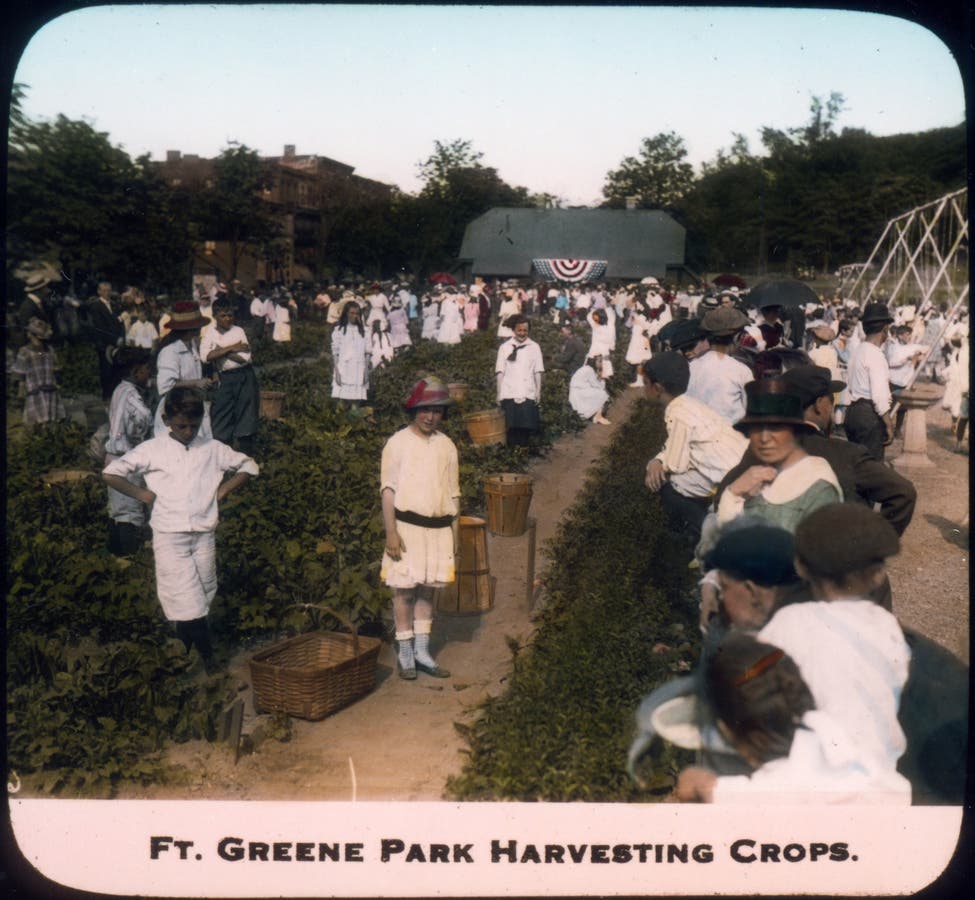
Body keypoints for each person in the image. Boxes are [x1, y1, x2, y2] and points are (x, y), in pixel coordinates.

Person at [102, 386, 259, 668]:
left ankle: (182, 653)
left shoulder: (211, 449)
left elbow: (249, 465)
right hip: (170, 535)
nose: (187, 431)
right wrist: (141, 494)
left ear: (201, 422)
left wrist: (224, 489)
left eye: (193, 426)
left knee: (204, 591)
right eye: (181, 426)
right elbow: (111, 472)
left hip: (203, 535)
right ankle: (209, 660)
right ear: (166, 421)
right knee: (186, 599)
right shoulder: (153, 450)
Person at [380, 377, 460, 680]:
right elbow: (388, 490)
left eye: (437, 411)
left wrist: (455, 536)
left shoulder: (447, 446)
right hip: (407, 529)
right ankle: (406, 651)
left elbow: (454, 494)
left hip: (438, 530)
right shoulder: (397, 443)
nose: (430, 417)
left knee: (428, 590)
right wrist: (391, 532)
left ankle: (424, 651)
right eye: (425, 410)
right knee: (404, 591)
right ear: (413, 409)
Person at [642, 352, 748, 541]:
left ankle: (708, 533)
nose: (644, 389)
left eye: (645, 384)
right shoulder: (689, 403)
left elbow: (676, 464)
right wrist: (659, 458)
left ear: (657, 388)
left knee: (669, 484)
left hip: (727, 475)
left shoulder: (678, 413)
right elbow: (676, 442)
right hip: (741, 462)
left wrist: (656, 464)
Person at [714, 378, 841, 533]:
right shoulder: (744, 475)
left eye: (776, 427)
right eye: (756, 428)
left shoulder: (818, 487)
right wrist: (732, 494)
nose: (764, 438)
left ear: (794, 431)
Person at [103, 347, 154, 555]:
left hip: (112, 457)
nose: (149, 373)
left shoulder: (119, 389)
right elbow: (144, 417)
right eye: (146, 370)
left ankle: (115, 556)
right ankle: (129, 559)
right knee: (130, 512)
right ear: (135, 372)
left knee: (118, 509)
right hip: (125, 458)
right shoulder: (132, 395)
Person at [200, 302, 260, 455]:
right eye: (223, 316)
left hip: (244, 376)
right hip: (225, 378)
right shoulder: (210, 333)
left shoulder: (238, 330)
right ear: (215, 317)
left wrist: (220, 351)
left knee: (246, 413)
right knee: (222, 413)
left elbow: (244, 358)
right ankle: (222, 455)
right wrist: (232, 348)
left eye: (230, 315)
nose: (227, 319)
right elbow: (205, 357)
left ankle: (245, 456)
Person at [153, 301, 214, 438]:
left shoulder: (191, 345)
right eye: (197, 327)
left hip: (193, 405)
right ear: (189, 329)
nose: (200, 330)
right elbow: (165, 386)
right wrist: (195, 383)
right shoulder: (170, 351)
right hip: (176, 409)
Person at [844, 302, 895, 460]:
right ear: (885, 329)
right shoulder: (875, 355)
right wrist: (888, 423)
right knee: (872, 466)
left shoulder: (858, 350)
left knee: (857, 463)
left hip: (852, 412)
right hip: (868, 414)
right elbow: (879, 396)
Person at [687, 307, 754, 425]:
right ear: (736, 337)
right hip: (729, 438)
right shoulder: (741, 371)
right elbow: (751, 411)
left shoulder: (691, 367)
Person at [495, 314, 544, 446]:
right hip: (509, 391)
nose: (522, 333)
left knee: (525, 427)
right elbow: (500, 372)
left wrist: (538, 392)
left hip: (527, 391)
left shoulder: (535, 347)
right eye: (519, 330)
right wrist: (499, 393)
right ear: (513, 330)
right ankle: (512, 457)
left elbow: (538, 371)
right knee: (511, 427)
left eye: (525, 330)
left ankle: (523, 454)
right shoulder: (505, 347)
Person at [9, 318, 66, 427]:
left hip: (49, 388)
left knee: (50, 418)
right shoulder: (25, 351)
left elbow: (56, 367)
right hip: (34, 389)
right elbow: (19, 372)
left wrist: (58, 378)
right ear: (30, 335)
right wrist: (20, 388)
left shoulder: (49, 350)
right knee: (36, 420)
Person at [85, 281, 127, 400]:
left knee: (117, 370)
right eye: (104, 290)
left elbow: (120, 323)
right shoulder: (96, 306)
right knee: (106, 371)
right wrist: (115, 340)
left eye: (108, 290)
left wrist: (122, 337)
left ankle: (117, 396)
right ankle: (107, 397)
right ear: (99, 292)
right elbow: (100, 328)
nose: (106, 293)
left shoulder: (114, 305)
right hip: (105, 344)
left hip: (117, 343)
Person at [331, 301, 370, 405]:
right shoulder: (339, 330)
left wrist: (366, 371)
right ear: (346, 313)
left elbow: (367, 353)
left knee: (356, 401)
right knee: (341, 400)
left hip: (358, 368)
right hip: (344, 368)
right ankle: (341, 419)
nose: (354, 316)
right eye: (352, 313)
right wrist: (337, 372)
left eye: (357, 313)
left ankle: (354, 419)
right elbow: (335, 353)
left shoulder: (365, 331)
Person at [568, 355, 611, 425]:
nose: (601, 364)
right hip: (578, 393)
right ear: (593, 361)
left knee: (599, 393)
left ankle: (595, 416)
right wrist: (603, 379)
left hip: (577, 392)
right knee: (602, 394)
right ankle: (598, 417)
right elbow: (597, 385)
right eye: (599, 361)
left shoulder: (586, 368)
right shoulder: (589, 370)